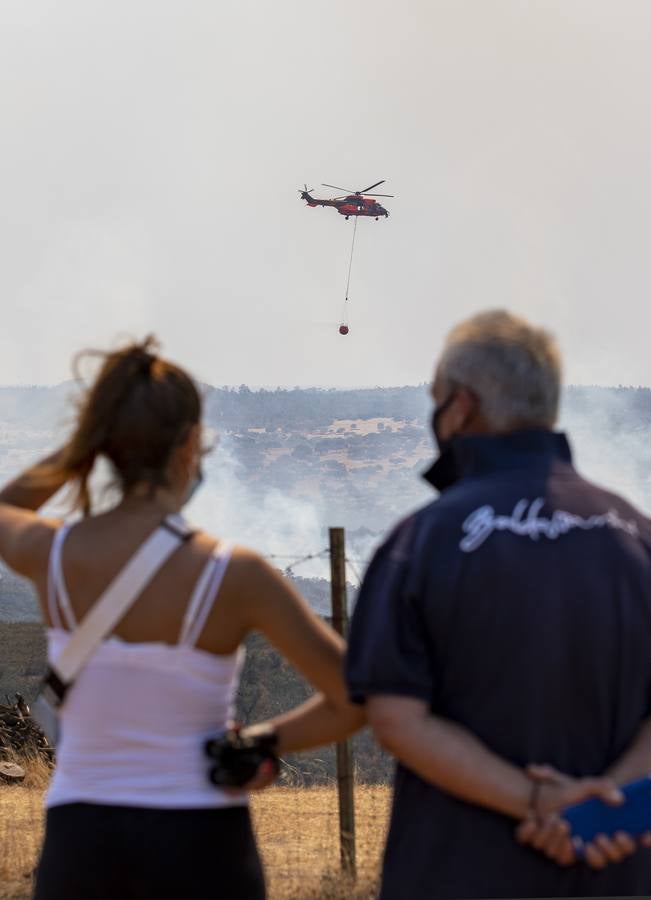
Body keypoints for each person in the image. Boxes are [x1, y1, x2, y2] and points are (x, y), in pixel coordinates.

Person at [0, 336, 363, 900]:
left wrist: (79, 448)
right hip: (204, 845)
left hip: (83, 843)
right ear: (191, 443)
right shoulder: (236, 574)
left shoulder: (55, 555)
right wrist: (258, 742)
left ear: (104, 447)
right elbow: (354, 696)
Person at [345, 310, 651, 899]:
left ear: (460, 407)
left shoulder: (422, 540)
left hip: (455, 874)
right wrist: (601, 806)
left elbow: (396, 718)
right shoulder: (637, 535)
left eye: (437, 401)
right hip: (614, 870)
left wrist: (538, 801)